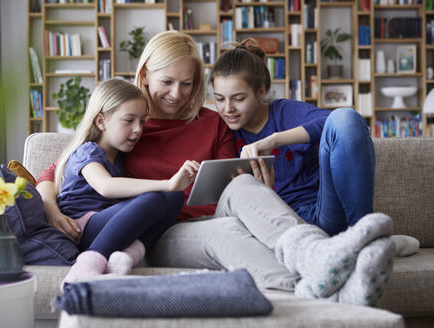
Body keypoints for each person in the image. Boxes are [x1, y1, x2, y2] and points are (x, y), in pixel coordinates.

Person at [37, 31, 394, 306]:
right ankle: (320, 292)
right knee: (224, 234)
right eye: (167, 82)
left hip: (225, 212)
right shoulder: (128, 124)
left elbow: (233, 175)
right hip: (169, 230)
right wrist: (52, 209)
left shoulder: (212, 121)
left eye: (187, 83)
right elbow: (61, 167)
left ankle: (316, 256)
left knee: (241, 187)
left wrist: (260, 185)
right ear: (144, 75)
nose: (177, 94)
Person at [209, 38, 376, 237]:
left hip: (323, 213)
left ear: (260, 92)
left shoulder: (284, 112)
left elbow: (338, 123)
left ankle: (366, 234)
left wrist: (274, 139)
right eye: (219, 99)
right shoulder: (224, 133)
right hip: (279, 225)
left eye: (239, 99)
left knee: (347, 117)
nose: (228, 109)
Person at [55, 78, 199, 285]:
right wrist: (167, 183)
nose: (138, 129)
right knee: (156, 198)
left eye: (142, 121)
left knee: (175, 196)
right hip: (82, 227)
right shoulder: (87, 151)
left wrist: (172, 189)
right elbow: (105, 186)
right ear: (101, 121)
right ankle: (87, 264)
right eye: (129, 120)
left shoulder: (121, 156)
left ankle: (127, 256)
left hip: (110, 225)